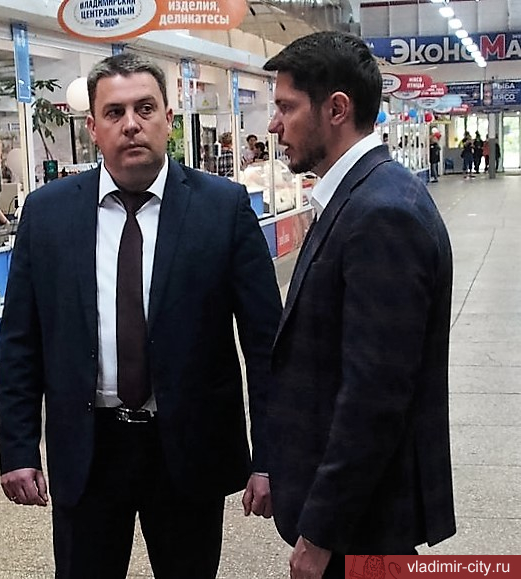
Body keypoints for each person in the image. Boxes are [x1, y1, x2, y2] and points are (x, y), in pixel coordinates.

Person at [0, 52, 282, 579]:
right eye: (114, 112)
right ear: (93, 128)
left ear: (168, 119)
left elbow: (266, 345)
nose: (131, 124)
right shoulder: (49, 212)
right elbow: (21, 341)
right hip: (88, 449)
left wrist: (270, 456)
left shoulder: (222, 208)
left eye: (145, 108)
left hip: (186, 449)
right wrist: (17, 448)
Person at [263, 31, 455, 579]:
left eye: (286, 107)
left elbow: (374, 396)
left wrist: (321, 534)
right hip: (358, 515)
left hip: (362, 525)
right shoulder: (361, 196)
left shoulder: (381, 213)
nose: (273, 125)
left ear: (336, 109)